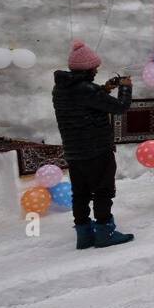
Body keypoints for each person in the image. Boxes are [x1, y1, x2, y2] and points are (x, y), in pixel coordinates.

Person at [51, 40, 134, 249]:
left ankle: (84, 235)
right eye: (95, 68)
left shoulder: (61, 88)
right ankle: (105, 232)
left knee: (80, 193)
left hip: (74, 151)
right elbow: (120, 107)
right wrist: (125, 88)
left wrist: (105, 88)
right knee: (103, 191)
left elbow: (85, 102)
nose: (97, 71)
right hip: (97, 149)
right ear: (87, 69)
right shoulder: (87, 90)